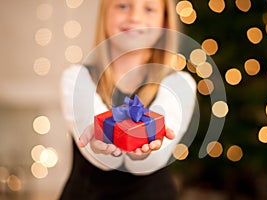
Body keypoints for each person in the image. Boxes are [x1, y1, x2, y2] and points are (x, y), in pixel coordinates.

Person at [60, 0, 197, 199]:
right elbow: (101, 158)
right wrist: (101, 139)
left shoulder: (180, 83)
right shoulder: (75, 78)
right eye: (123, 6)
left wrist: (140, 151)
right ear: (105, 15)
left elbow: (154, 158)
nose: (135, 17)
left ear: (164, 23)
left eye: (149, 9)